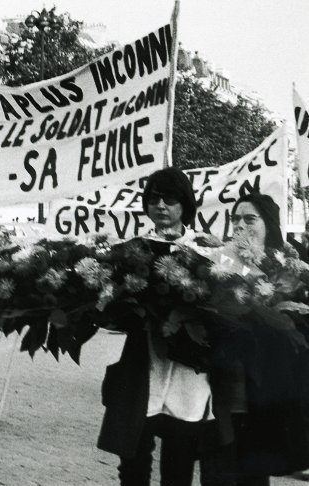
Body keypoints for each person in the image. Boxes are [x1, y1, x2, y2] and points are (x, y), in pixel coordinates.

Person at [97, 168, 215, 485]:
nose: (160, 206)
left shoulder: (205, 250)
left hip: (187, 375)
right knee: (132, 463)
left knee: (178, 467)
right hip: (142, 365)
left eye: (170, 199)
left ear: (185, 204)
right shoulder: (130, 249)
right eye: (153, 198)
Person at [204, 193, 309, 485]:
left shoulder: (285, 266)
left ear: (269, 225)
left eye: (249, 219)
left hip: (264, 390)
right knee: (220, 470)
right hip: (224, 386)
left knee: (255, 472)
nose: (240, 225)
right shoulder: (217, 259)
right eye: (235, 218)